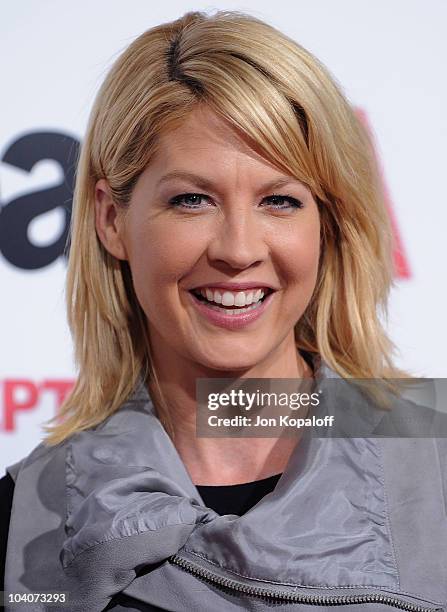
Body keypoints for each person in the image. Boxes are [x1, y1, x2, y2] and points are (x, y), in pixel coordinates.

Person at [2, 10, 446, 612]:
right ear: (111, 220)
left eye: (280, 201)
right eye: (192, 200)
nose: (238, 249)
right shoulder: (24, 517)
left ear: (328, 226)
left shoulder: (436, 469)